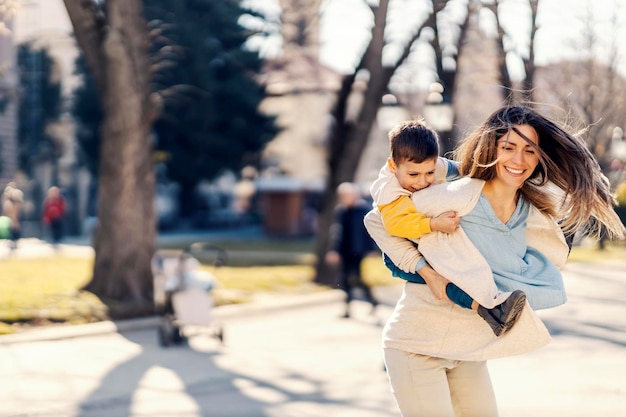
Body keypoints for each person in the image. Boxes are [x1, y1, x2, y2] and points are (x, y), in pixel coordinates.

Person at [364, 104, 626, 417]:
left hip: (467, 349)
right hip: (418, 346)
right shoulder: (458, 196)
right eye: (508, 148)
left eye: (530, 150)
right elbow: (378, 220)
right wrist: (425, 270)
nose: (519, 160)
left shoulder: (529, 206)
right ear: (493, 149)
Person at [370, 119, 526, 336]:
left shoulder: (430, 166)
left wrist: (481, 173)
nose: (422, 181)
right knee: (449, 277)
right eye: (413, 175)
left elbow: (456, 169)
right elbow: (397, 225)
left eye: (429, 173)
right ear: (392, 166)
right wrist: (434, 223)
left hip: (419, 238)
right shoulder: (390, 193)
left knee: (453, 267)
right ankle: (490, 311)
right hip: (400, 257)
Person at [325, 182, 378, 318]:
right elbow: (337, 233)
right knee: (344, 279)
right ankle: (348, 309)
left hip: (359, 250)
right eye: (342, 196)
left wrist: (372, 249)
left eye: (347, 195)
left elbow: (371, 231)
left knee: (356, 278)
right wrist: (334, 250)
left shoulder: (363, 210)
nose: (344, 198)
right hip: (345, 250)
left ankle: (372, 300)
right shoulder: (341, 211)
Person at [1, 186, 24, 251]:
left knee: (13, 234)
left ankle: (13, 244)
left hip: (12, 221)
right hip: (12, 221)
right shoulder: (10, 204)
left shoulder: (12, 204)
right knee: (13, 233)